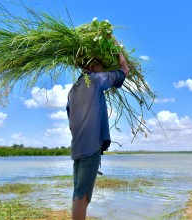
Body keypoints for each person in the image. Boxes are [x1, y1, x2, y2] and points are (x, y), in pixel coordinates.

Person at [66, 41, 130, 220]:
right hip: (90, 148)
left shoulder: (73, 90)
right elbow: (124, 71)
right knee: (82, 196)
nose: (102, 68)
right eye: (100, 64)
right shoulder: (95, 80)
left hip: (77, 148)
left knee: (78, 192)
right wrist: (119, 52)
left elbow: (71, 123)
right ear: (93, 65)